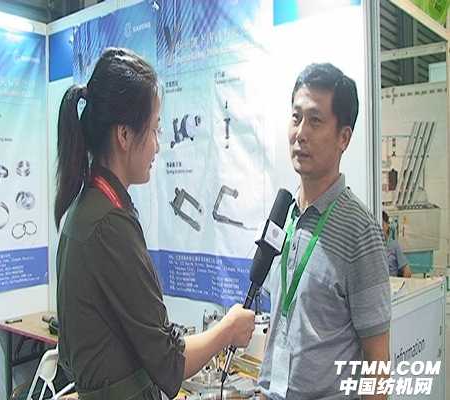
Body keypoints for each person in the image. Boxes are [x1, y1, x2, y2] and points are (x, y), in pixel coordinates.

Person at [55, 48, 255, 400]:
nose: (158, 146)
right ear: (124, 135)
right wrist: (228, 329)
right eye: (154, 130)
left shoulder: (89, 208)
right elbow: (170, 364)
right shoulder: (109, 225)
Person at [258, 63, 391, 399]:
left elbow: (377, 362)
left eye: (315, 121)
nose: (300, 133)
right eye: (296, 117)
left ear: (344, 137)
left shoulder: (361, 232)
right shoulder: (285, 214)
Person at [382, 211, 412, 277]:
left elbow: (407, 271)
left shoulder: (394, 245)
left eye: (382, 225)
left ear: (387, 225)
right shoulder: (373, 246)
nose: (379, 228)